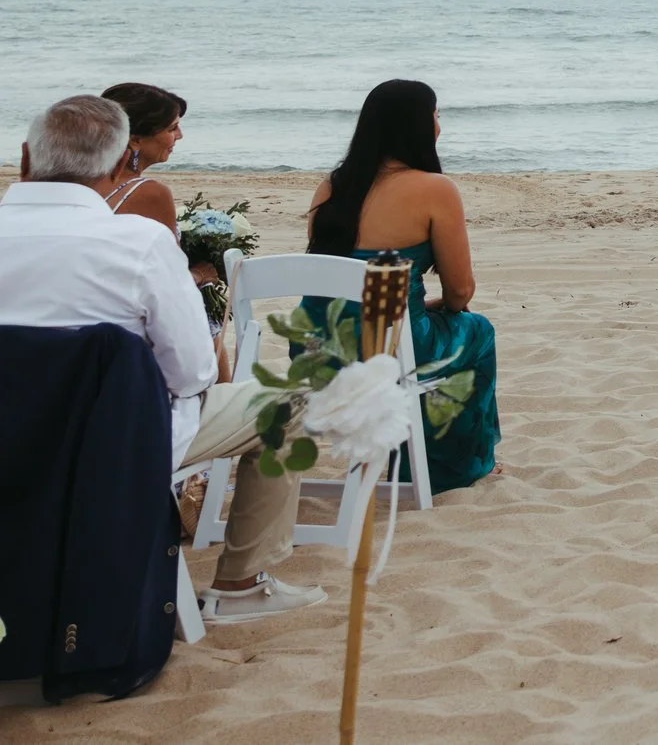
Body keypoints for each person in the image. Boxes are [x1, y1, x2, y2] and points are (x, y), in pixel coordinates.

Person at [0, 96, 324, 622]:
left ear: (26, 157)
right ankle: (241, 584)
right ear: (114, 164)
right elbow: (193, 372)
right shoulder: (141, 243)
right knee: (284, 402)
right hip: (109, 447)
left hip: (11, 444)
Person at [305, 79, 501, 489]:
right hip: (394, 349)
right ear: (416, 126)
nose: (439, 125)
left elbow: (325, 275)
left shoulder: (332, 188)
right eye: (436, 115)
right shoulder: (435, 190)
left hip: (319, 349)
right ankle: (450, 466)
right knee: (476, 331)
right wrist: (431, 306)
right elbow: (461, 292)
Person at [98, 83, 187, 235]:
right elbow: (167, 257)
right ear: (135, 140)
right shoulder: (149, 193)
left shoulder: (81, 181)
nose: (179, 135)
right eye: (172, 129)